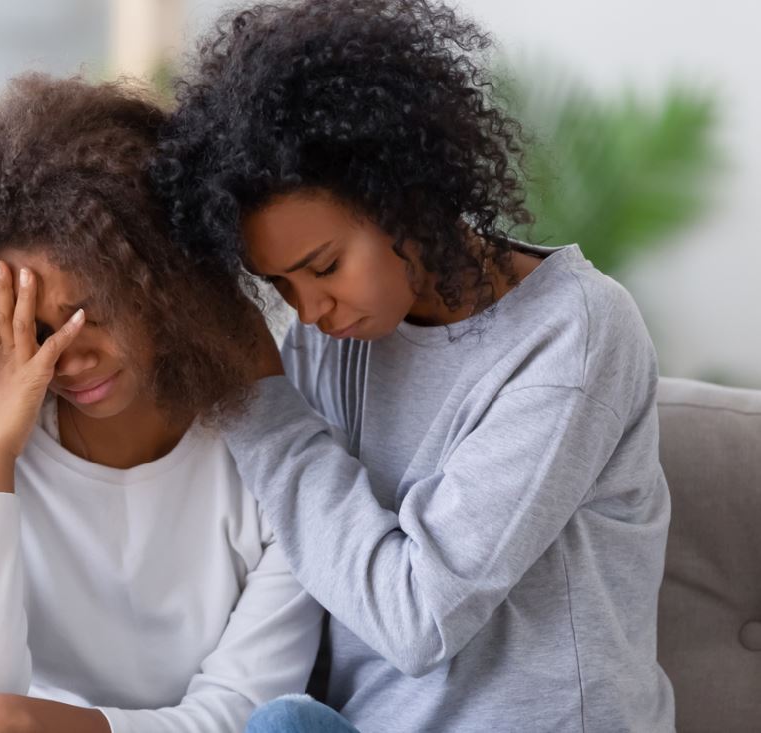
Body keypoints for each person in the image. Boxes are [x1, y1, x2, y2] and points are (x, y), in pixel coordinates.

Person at [151, 1, 676, 730]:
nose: (307, 311)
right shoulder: (329, 338)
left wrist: (262, 405)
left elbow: (417, 619)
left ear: (403, 195)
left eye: (324, 266)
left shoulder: (571, 334)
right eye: (279, 285)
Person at [0, 73, 322, 733]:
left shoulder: (271, 457)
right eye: (30, 332)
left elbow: (244, 712)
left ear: (163, 282)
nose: (69, 356)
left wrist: (41, 724)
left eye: (90, 312)